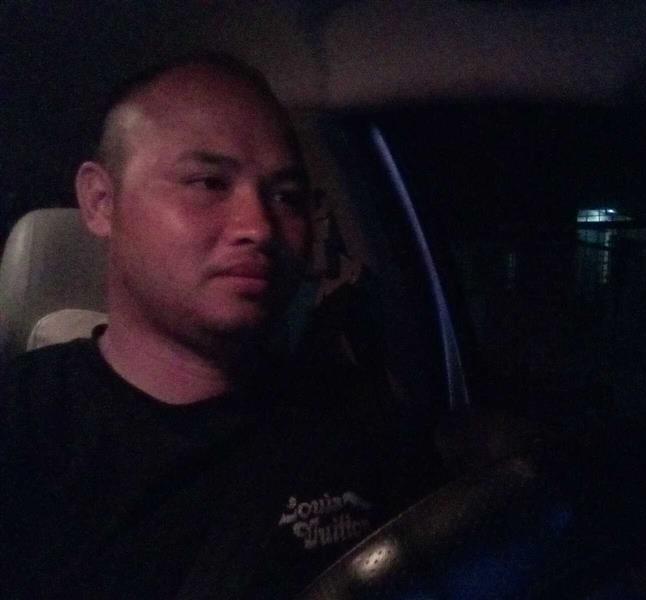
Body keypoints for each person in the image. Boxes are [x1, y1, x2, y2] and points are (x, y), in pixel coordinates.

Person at [0, 54, 441, 598]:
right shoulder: (23, 424)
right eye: (209, 183)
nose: (260, 227)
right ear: (101, 202)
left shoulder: (364, 422)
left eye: (286, 197)